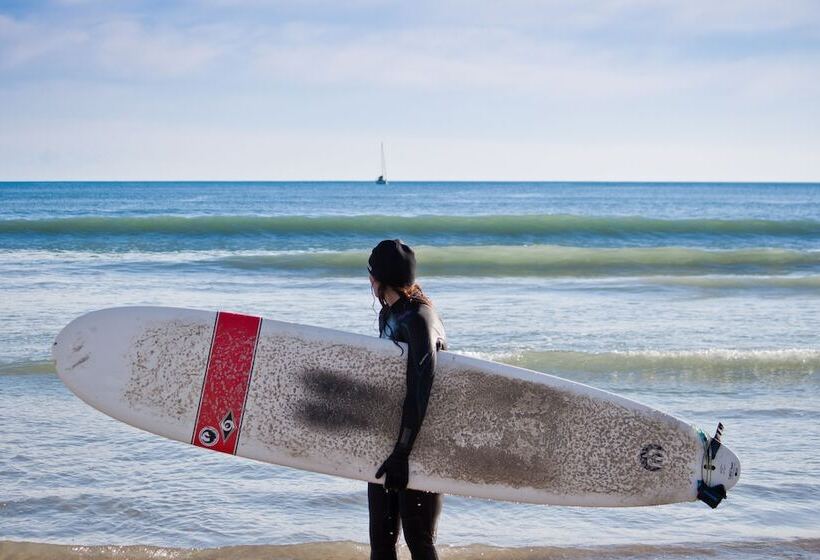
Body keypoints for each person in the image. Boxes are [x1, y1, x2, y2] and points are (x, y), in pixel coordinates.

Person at [367, 239, 447, 560]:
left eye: (370, 275)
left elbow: (421, 384)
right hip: (390, 445)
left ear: (380, 278)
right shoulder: (389, 317)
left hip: (421, 445)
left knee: (419, 542)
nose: (369, 281)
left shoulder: (419, 319)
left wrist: (403, 451)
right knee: (381, 546)